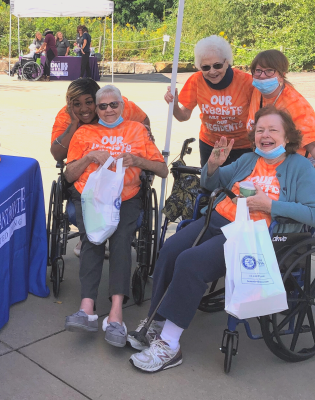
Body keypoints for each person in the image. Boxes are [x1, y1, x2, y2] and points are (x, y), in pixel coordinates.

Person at [128, 105, 315, 373]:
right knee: (170, 248)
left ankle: (169, 345)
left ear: (288, 138)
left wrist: (270, 206)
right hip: (215, 219)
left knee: (190, 262)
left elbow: (312, 212)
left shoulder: (300, 167)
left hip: (251, 235)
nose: (265, 135)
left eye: (273, 130)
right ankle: (154, 322)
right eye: (260, 129)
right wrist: (213, 164)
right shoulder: (250, 160)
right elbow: (212, 182)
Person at [64, 85, 168, 348]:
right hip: (91, 197)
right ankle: (87, 308)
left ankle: (116, 313)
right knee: (93, 239)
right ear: (97, 109)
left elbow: (163, 170)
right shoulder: (85, 132)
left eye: (114, 105)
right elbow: (68, 175)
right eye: (103, 106)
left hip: (126, 196)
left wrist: (137, 160)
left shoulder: (137, 130)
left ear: (123, 105)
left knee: (122, 240)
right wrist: (89, 156)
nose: (108, 110)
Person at [51, 78, 151, 258]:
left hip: (119, 180)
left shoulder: (117, 105)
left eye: (89, 102)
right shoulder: (66, 114)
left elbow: (144, 119)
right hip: (86, 180)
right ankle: (89, 236)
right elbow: (57, 155)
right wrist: (74, 123)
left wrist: (143, 134)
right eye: (77, 104)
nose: (83, 109)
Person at [164, 35, 253, 167]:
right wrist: (174, 105)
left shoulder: (246, 82)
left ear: (227, 62)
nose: (212, 71)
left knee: (237, 186)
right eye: (205, 67)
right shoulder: (196, 80)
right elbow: (183, 116)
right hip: (212, 146)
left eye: (217, 65)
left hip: (242, 147)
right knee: (211, 183)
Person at [247, 49, 315, 162]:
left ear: (282, 75)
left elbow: (312, 145)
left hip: (294, 162)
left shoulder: (296, 104)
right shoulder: (257, 91)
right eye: (258, 70)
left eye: (269, 71)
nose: (262, 76)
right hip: (265, 159)